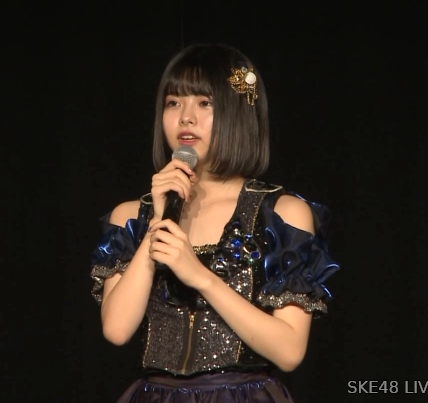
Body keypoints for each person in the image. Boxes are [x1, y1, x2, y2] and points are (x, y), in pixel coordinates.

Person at [90, 43, 340, 403]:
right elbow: (116, 329)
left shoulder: (281, 214)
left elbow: (289, 351)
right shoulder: (132, 216)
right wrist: (158, 219)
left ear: (237, 112)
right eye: (173, 102)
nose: (186, 118)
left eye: (205, 103)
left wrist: (200, 276)